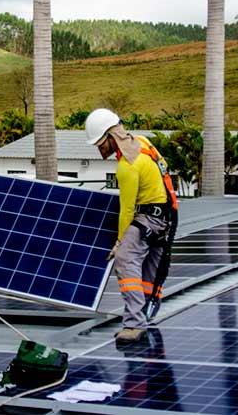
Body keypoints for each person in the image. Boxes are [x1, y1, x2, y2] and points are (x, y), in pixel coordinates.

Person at [85, 109, 178, 344]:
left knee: (126, 259)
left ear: (111, 137)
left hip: (149, 218)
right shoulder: (142, 143)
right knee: (148, 268)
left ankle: (134, 324)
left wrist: (119, 243)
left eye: (100, 143)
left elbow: (126, 209)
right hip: (167, 216)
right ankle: (145, 314)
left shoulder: (127, 166)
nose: (99, 149)